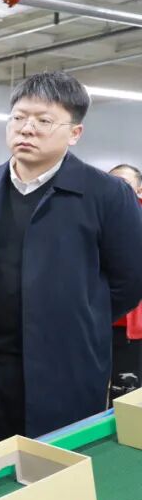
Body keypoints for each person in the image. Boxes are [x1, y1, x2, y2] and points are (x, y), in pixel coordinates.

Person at [0, 72, 142, 454]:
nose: (27, 128)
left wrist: (82, 316)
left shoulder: (106, 194)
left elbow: (130, 280)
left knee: (54, 471)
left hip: (66, 367)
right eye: (19, 117)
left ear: (74, 133)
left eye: (43, 120)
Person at [109, 164, 142, 403]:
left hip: (132, 324)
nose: (116, 188)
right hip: (98, 320)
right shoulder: (96, 214)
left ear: (139, 188)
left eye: (124, 183)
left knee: (126, 392)